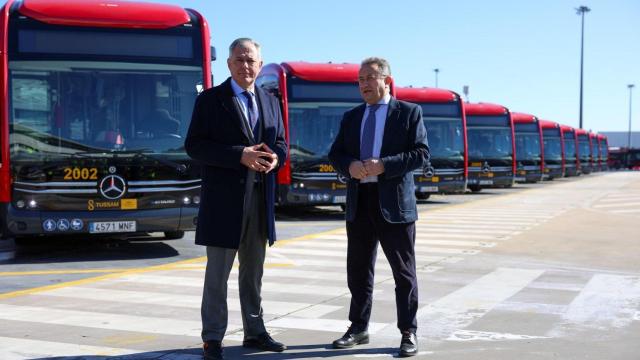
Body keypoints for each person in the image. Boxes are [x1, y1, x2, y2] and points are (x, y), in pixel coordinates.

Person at [185, 38, 288, 360]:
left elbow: (282, 143)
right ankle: (212, 337)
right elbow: (195, 146)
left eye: (251, 60)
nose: (246, 66)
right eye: (240, 60)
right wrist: (238, 155)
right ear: (229, 64)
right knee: (217, 274)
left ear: (260, 64)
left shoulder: (271, 100)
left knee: (253, 272)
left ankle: (255, 332)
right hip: (224, 202)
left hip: (259, 199)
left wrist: (276, 159)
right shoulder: (211, 100)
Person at [328, 57, 429, 357]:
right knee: (358, 271)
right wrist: (351, 165)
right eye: (360, 79)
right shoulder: (351, 117)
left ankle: (408, 331)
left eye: (371, 77)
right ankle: (358, 328)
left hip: (395, 206)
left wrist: (384, 165)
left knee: (403, 273)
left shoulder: (409, 113)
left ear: (387, 80)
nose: (364, 84)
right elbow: (335, 154)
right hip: (360, 202)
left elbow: (421, 154)